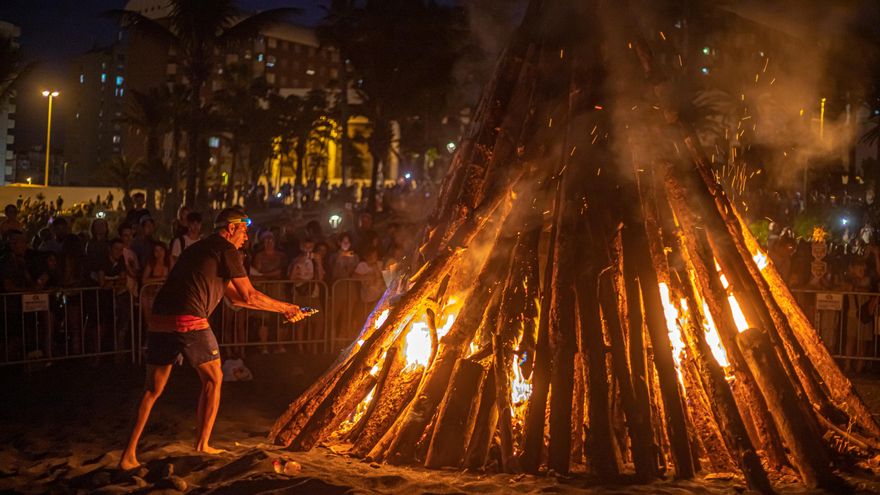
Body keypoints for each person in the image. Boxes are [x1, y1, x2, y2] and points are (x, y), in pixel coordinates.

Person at [119, 208, 307, 470]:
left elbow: (237, 298)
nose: (246, 237)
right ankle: (202, 444)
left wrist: (282, 310)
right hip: (189, 319)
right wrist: (286, 307)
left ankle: (128, 455)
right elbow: (249, 295)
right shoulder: (226, 250)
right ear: (231, 229)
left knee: (152, 389)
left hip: (159, 319)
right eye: (243, 231)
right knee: (214, 378)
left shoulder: (200, 249)